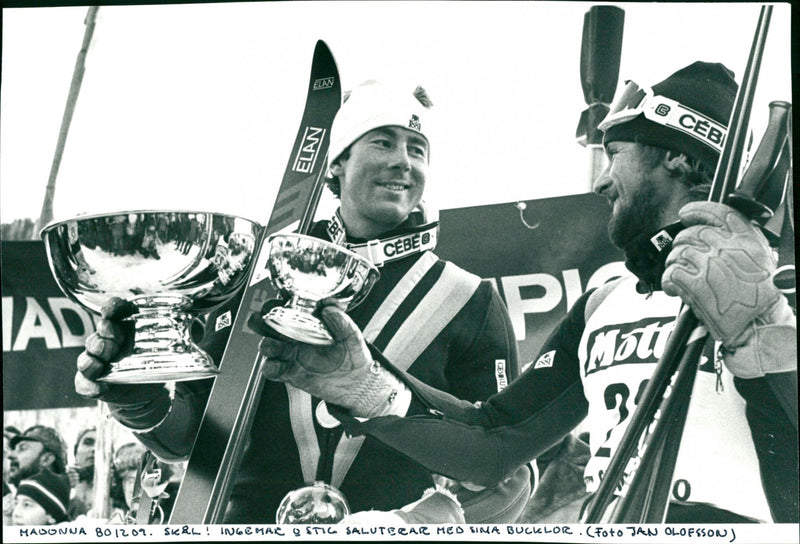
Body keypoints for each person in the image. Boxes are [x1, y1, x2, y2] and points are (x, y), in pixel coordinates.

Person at [255, 62, 798, 523]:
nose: (601, 182)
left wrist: (765, 327)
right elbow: (495, 444)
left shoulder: (782, 285)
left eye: (617, 154)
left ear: (676, 157)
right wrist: (368, 388)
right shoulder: (604, 301)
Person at [75, 80, 529, 523]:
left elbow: (505, 468)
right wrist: (137, 394)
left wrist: (415, 521)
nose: (403, 162)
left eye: (417, 149)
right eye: (384, 143)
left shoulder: (470, 298)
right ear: (336, 164)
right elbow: (192, 438)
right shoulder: (264, 279)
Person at [67, 427, 96, 519]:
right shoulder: (59, 482)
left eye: (101, 444)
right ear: (75, 452)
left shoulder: (121, 490)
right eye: (88, 443)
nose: (94, 449)